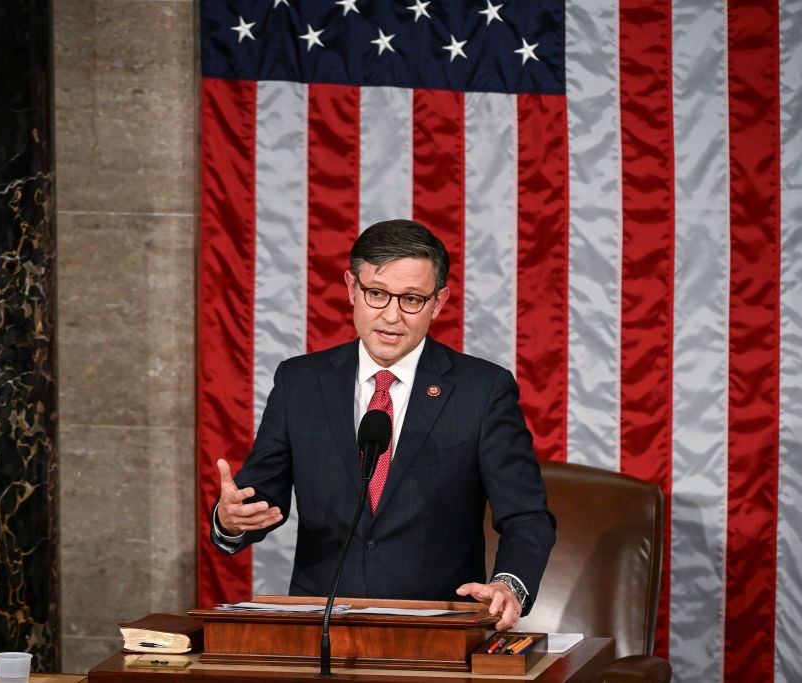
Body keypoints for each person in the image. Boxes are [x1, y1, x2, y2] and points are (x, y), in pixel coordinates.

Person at [210, 219, 555, 630]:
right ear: (352, 288)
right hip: (321, 627)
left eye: (411, 299)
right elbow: (259, 502)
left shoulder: (482, 390)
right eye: (377, 294)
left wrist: (508, 583)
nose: (391, 316)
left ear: (438, 302)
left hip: (436, 630)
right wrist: (231, 521)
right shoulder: (299, 382)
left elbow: (527, 514)